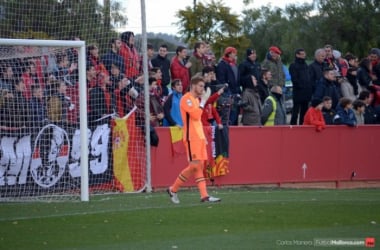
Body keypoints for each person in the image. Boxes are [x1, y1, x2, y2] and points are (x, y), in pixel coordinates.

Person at [167, 74, 221, 204]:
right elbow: (196, 116)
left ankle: (204, 196)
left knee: (198, 166)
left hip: (199, 136)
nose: (203, 89)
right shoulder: (187, 99)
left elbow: (198, 121)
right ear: (193, 86)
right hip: (191, 137)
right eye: (200, 86)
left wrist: (203, 136)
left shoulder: (196, 100)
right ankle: (173, 189)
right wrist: (203, 101)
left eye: (203, 86)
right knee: (195, 165)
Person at [216, 46, 240, 125]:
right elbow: (221, 79)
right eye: (234, 53)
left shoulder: (233, 64)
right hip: (227, 93)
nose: (235, 55)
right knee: (229, 114)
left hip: (234, 91)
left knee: (234, 114)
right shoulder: (222, 65)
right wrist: (227, 89)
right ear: (229, 54)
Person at [289, 48, 312, 125]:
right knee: (295, 111)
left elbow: (308, 77)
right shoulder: (293, 65)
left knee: (304, 111)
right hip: (298, 92)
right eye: (302, 54)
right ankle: (293, 126)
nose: (304, 56)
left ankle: (303, 125)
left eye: (304, 54)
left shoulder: (305, 65)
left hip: (306, 92)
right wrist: (301, 86)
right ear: (297, 55)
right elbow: (294, 79)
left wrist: (308, 87)